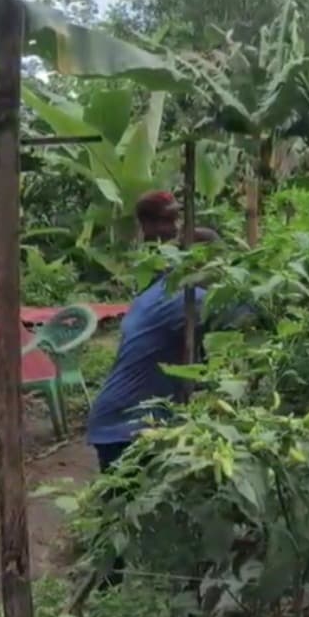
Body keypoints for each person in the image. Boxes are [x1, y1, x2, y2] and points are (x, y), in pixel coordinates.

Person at [86, 190, 229, 472]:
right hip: (128, 425)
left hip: (130, 417)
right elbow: (250, 314)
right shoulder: (188, 300)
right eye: (218, 263)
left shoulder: (161, 287)